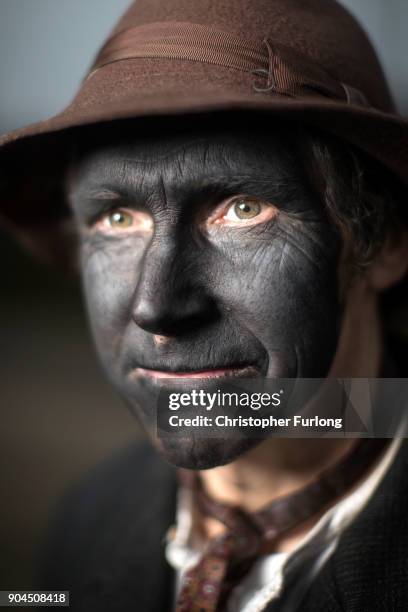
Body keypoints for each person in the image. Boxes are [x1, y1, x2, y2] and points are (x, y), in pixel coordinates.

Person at [1, 0, 408, 610]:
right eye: (118, 217)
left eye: (243, 209)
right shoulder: (88, 517)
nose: (157, 307)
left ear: (385, 242)